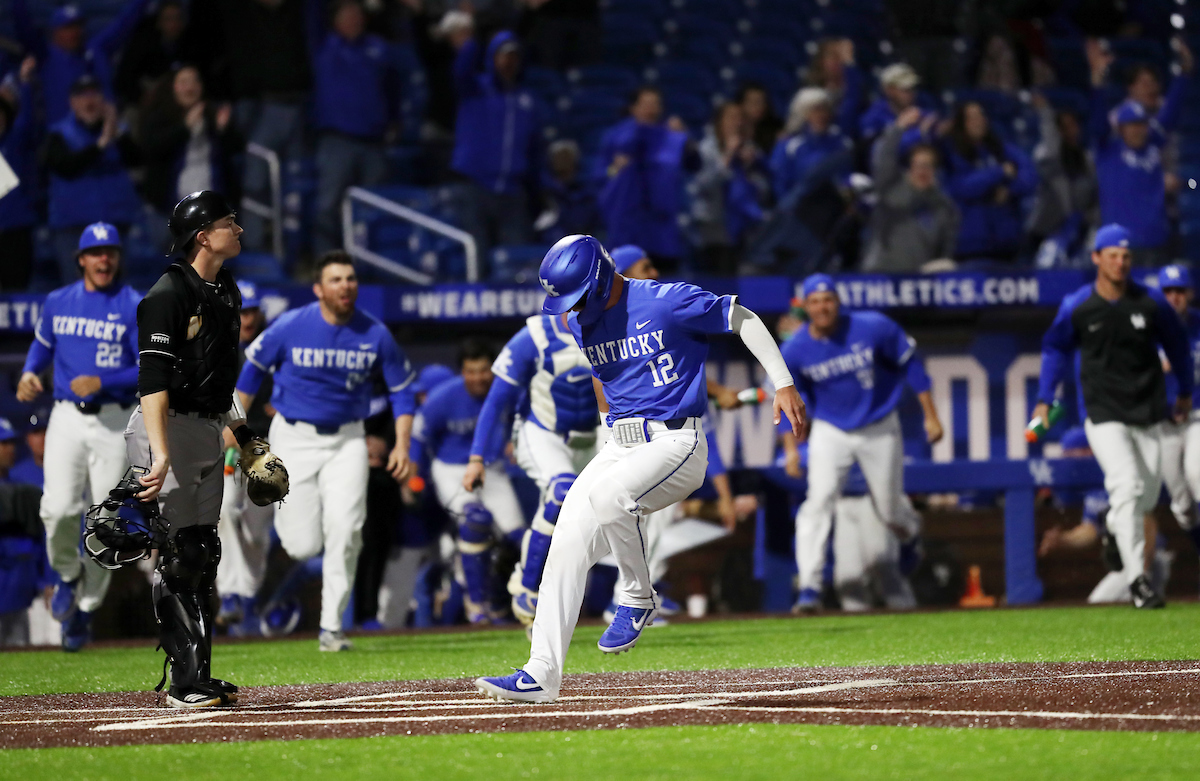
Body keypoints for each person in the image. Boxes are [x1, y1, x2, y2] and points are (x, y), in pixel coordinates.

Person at [474, 234, 805, 703]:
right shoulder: (582, 324)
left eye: (578, 295)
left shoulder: (667, 299)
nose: (574, 308)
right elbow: (603, 380)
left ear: (602, 276)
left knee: (609, 498)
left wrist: (783, 383)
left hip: (677, 441)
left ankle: (636, 595)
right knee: (565, 543)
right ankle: (541, 673)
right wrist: (611, 431)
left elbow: (742, 318)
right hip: (620, 444)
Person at [236, 251, 417, 651]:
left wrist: (403, 444)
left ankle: (331, 627)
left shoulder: (374, 333)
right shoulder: (290, 325)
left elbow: (403, 393)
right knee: (303, 545)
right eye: (336, 279)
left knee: (348, 530)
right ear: (318, 288)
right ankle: (297, 581)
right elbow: (250, 373)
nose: (345, 285)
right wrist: (236, 431)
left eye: (350, 278)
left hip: (347, 440)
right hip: (295, 436)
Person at [128, 190, 257, 708]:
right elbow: (152, 380)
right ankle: (183, 683)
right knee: (182, 554)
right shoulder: (167, 293)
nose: (239, 228)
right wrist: (159, 453)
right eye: (230, 221)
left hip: (207, 425)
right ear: (203, 235)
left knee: (203, 551)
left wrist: (244, 437)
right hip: (170, 426)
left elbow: (219, 379)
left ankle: (198, 674)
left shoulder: (226, 289)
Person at [1033, 224, 1193, 609]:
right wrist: (1043, 399)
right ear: (1097, 259)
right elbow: (1054, 349)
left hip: (1150, 412)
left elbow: (1179, 347)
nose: (1120, 262)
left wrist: (1185, 391)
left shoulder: (1151, 302)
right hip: (1104, 413)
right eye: (1113, 255)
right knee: (1127, 485)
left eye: (1126, 256)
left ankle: (1111, 529)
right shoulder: (1078, 305)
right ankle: (1137, 580)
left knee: (1147, 498)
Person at [779, 274, 942, 613]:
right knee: (817, 501)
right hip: (831, 428)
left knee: (888, 507)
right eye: (815, 301)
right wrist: (791, 449)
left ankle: (910, 534)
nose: (823, 306)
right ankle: (809, 586)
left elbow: (911, 363)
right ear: (805, 307)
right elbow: (785, 399)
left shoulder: (872, 326)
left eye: (828, 299)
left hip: (878, 423)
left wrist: (931, 415)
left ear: (837, 301)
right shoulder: (795, 349)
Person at [15, 223, 140, 651]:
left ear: (117, 258)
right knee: (58, 509)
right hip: (67, 416)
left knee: (103, 523)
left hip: (113, 419)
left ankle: (85, 609)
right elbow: (42, 345)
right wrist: (31, 372)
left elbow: (150, 367)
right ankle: (67, 575)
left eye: (110, 252)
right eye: (95, 253)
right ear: (81, 259)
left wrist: (103, 381)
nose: (103, 260)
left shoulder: (133, 305)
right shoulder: (57, 301)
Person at [465, 304, 600, 630]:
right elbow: (496, 400)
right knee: (561, 490)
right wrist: (476, 458)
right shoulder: (534, 336)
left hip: (594, 435)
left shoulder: (613, 329)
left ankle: (628, 598)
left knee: (599, 516)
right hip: (541, 432)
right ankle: (527, 586)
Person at [413, 339, 524, 624]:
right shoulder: (442, 397)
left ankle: (499, 601)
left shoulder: (506, 390)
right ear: (462, 371)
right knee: (476, 519)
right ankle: (476, 605)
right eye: (470, 371)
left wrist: (515, 439)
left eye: (484, 370)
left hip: (492, 469)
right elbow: (420, 437)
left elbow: (521, 416)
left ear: (494, 369)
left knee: (519, 540)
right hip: (452, 470)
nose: (478, 377)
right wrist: (414, 478)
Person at [312, 0, 406, 254]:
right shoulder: (324, 45)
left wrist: (394, 120)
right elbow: (311, 11)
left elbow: (394, 87)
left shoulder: (378, 48)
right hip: (336, 140)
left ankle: (369, 266)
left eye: (357, 13)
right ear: (334, 19)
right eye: (347, 14)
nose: (354, 19)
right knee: (327, 206)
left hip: (373, 143)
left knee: (372, 210)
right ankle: (327, 262)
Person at [450, 24, 543, 266]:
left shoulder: (527, 100)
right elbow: (461, 71)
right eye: (503, 55)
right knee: (475, 257)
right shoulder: (476, 89)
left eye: (514, 56)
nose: (509, 61)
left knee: (516, 262)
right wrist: (471, 42)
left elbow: (535, 148)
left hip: (513, 191)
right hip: (476, 185)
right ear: (492, 58)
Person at [215, 282, 278, 631]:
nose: (247, 318)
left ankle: (249, 594)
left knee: (256, 529)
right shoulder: (218, 348)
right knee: (224, 511)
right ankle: (231, 593)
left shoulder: (273, 348)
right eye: (242, 311)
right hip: (228, 446)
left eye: (252, 311)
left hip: (267, 445)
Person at [41, 76, 142, 285]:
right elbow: (67, 167)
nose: (89, 101)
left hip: (114, 225)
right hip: (73, 227)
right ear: (72, 102)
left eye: (94, 95)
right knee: (78, 291)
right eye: (82, 96)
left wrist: (117, 132)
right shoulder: (58, 134)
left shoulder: (118, 131)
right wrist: (101, 144)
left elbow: (138, 159)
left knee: (116, 292)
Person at [596, 86, 699, 274]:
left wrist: (686, 140)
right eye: (646, 104)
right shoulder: (616, 136)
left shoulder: (670, 137)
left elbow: (694, 164)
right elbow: (600, 175)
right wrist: (615, 169)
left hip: (662, 229)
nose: (651, 109)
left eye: (655, 104)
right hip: (628, 226)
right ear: (633, 108)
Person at [12, 0, 153, 123]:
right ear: (55, 32)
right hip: (62, 141)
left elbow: (125, 21)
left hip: (104, 134)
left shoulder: (97, 48)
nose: (75, 32)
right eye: (68, 27)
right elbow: (23, 26)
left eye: (77, 26)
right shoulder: (45, 56)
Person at [140, 66, 244, 232]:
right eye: (183, 82)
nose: (190, 87)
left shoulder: (212, 116)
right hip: (169, 208)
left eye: (195, 81)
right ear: (172, 87)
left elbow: (235, 150)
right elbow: (153, 149)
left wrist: (223, 130)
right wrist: (185, 128)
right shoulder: (159, 118)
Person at [863, 107, 960, 272]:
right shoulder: (891, 189)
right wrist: (898, 128)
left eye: (928, 166)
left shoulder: (943, 205)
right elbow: (883, 160)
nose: (923, 171)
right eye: (918, 165)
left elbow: (947, 245)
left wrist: (943, 264)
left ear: (936, 171)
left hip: (917, 282)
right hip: (882, 275)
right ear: (909, 167)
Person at [940, 100, 1037, 263]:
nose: (978, 121)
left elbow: (1031, 176)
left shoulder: (1000, 148)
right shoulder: (952, 153)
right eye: (971, 118)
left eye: (981, 116)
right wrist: (1000, 172)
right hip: (969, 247)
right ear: (961, 123)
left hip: (1007, 244)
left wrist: (1010, 190)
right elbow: (962, 187)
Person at [692, 102, 769, 275]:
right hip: (714, 224)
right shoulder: (706, 149)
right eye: (731, 117)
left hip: (744, 226)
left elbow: (763, 189)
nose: (737, 122)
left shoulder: (749, 149)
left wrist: (750, 167)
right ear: (719, 122)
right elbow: (703, 185)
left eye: (740, 118)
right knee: (720, 277)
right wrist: (727, 157)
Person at [1155, 265, 1200, 562]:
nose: (1174, 297)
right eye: (1168, 291)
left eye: (1179, 291)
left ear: (1190, 293)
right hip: (1163, 421)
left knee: (1198, 477)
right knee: (1181, 505)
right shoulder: (1147, 326)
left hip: (1197, 414)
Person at [1027, 93, 1098, 268]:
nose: (1071, 131)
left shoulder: (1086, 158)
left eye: (1074, 125)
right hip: (1046, 228)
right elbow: (1052, 145)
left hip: (1078, 230)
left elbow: (1094, 195)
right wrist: (1046, 113)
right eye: (1064, 127)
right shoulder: (1047, 153)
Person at [114, 0, 201, 107]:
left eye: (177, 18)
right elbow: (125, 79)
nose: (173, 24)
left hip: (182, 100)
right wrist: (142, 97)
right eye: (168, 19)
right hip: (147, 100)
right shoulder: (144, 44)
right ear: (159, 23)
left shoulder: (192, 45)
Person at [0, 57, 39, 291]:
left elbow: (27, 121)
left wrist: (24, 84)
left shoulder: (13, 145)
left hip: (15, 230)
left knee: (17, 293)